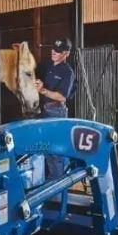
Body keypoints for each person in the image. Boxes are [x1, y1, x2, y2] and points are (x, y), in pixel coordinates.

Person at [35, 38, 76, 178]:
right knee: (45, 148)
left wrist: (42, 90)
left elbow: (62, 97)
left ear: (66, 54)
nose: (53, 52)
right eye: (53, 49)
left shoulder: (67, 72)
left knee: (55, 151)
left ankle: (59, 183)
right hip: (43, 110)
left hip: (56, 112)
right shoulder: (46, 66)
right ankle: (51, 180)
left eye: (58, 51)